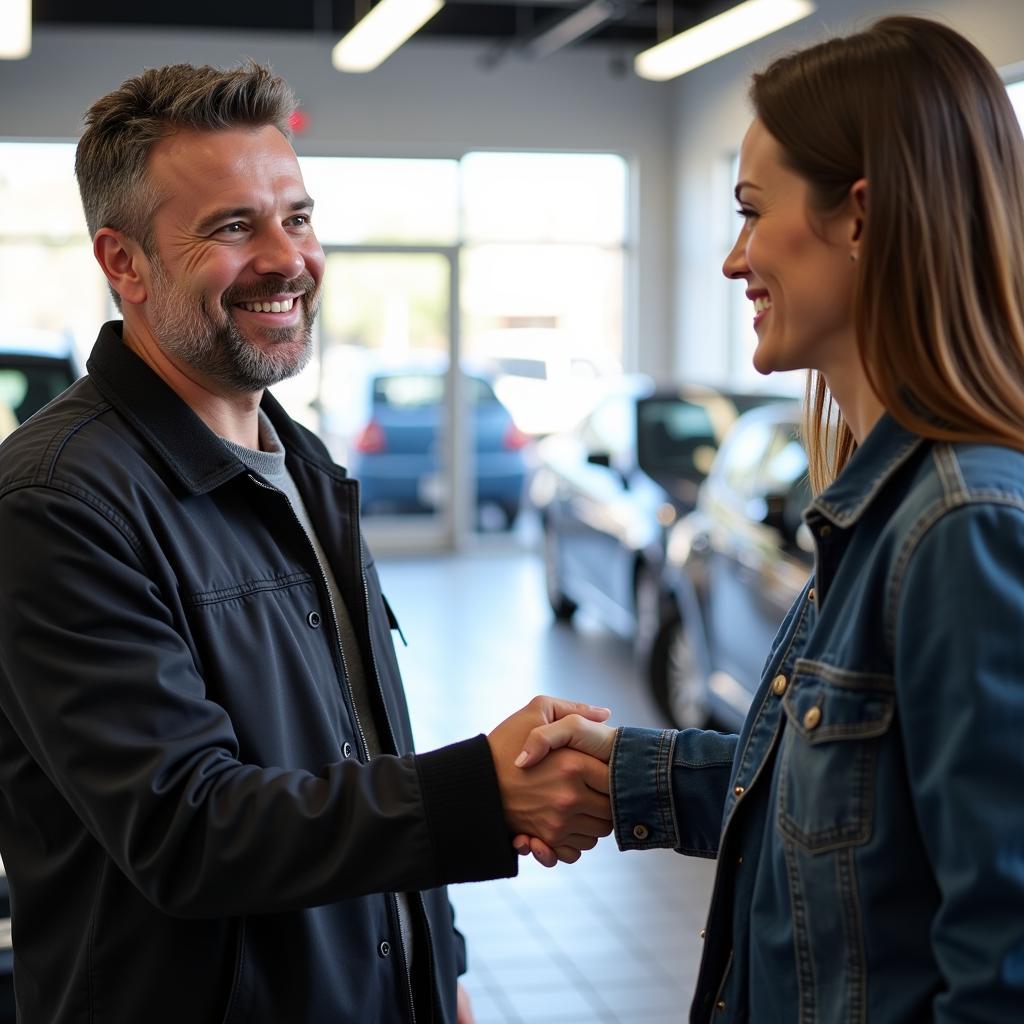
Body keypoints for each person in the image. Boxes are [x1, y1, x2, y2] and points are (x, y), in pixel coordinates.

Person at [0, 62, 613, 1024]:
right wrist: (479, 795)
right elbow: (185, 828)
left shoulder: (303, 463)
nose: (288, 259)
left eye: (297, 217)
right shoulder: (58, 500)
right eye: (233, 227)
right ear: (122, 262)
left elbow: (367, 741)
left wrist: (436, 963)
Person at [513, 15, 1024, 1022]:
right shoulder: (883, 510)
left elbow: (1002, 967)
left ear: (862, 216)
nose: (732, 257)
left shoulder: (961, 527)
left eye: (751, 212)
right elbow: (850, 814)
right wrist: (629, 776)